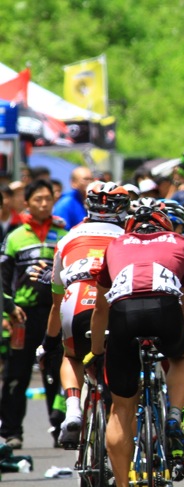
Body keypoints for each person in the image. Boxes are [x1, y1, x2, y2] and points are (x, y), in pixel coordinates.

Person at [88, 204, 184, 484]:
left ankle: (123, 483)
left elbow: (100, 309)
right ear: (166, 226)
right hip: (165, 309)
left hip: (123, 314)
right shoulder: (180, 242)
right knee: (181, 358)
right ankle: (174, 416)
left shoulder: (115, 244)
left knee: (121, 409)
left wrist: (97, 352)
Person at [42, 182, 130, 447]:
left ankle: (72, 409)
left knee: (72, 356)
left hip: (75, 298)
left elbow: (56, 303)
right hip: (113, 299)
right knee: (125, 359)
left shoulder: (68, 237)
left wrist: (48, 343)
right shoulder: (127, 237)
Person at [0, 179, 68, 449]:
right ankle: (12, 431)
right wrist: (8, 307)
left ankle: (61, 429)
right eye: (37, 199)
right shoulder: (15, 236)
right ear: (27, 203)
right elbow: (4, 278)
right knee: (17, 374)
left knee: (57, 370)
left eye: (47, 199)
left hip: (56, 314)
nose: (43, 204)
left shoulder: (64, 234)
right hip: (22, 316)